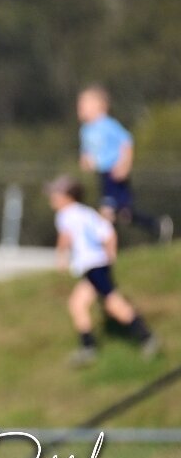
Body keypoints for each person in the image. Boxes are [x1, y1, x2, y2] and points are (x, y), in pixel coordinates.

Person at [48, 175, 160, 367]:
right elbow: (108, 233)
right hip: (98, 265)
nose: (52, 198)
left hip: (93, 266)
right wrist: (110, 256)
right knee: (77, 303)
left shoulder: (65, 215)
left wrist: (61, 258)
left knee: (113, 304)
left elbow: (65, 238)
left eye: (55, 194)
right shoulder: (86, 212)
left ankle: (146, 337)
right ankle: (88, 347)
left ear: (67, 196)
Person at [78, 85, 169, 241]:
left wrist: (125, 164)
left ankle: (106, 245)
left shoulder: (108, 124)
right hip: (102, 174)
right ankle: (157, 226)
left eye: (84, 104)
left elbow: (126, 142)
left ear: (101, 105)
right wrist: (85, 161)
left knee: (108, 210)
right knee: (125, 214)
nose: (80, 108)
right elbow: (86, 152)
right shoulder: (85, 130)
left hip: (115, 173)